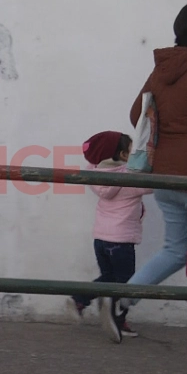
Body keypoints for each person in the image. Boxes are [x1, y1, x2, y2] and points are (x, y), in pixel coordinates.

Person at [101, 0, 187, 347]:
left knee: (175, 250)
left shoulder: (161, 69)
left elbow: (138, 114)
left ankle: (122, 300)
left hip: (163, 177)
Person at [70, 131, 152, 340]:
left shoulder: (94, 173)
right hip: (121, 241)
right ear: (124, 155)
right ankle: (117, 319)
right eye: (133, 151)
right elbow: (153, 185)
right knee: (125, 284)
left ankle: (80, 299)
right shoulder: (130, 178)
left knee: (108, 277)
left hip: (101, 239)